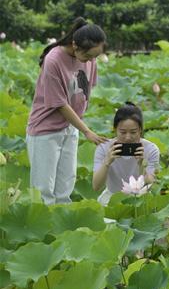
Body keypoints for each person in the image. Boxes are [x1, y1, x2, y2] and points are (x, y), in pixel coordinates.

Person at [26, 17, 108, 204]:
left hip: (70, 127)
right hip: (45, 130)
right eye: (88, 57)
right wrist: (86, 130)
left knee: (64, 189)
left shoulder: (90, 58)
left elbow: (87, 89)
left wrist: (78, 125)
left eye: (95, 57)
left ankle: (62, 232)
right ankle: (44, 232)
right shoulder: (53, 60)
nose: (92, 61)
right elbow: (60, 104)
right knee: (43, 191)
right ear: (75, 45)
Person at [93, 102, 160, 204]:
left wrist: (142, 164)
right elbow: (96, 186)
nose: (128, 137)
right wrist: (107, 162)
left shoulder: (151, 149)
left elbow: (150, 184)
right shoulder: (103, 148)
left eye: (133, 132)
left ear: (140, 130)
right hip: (112, 199)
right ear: (115, 130)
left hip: (141, 198)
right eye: (123, 132)